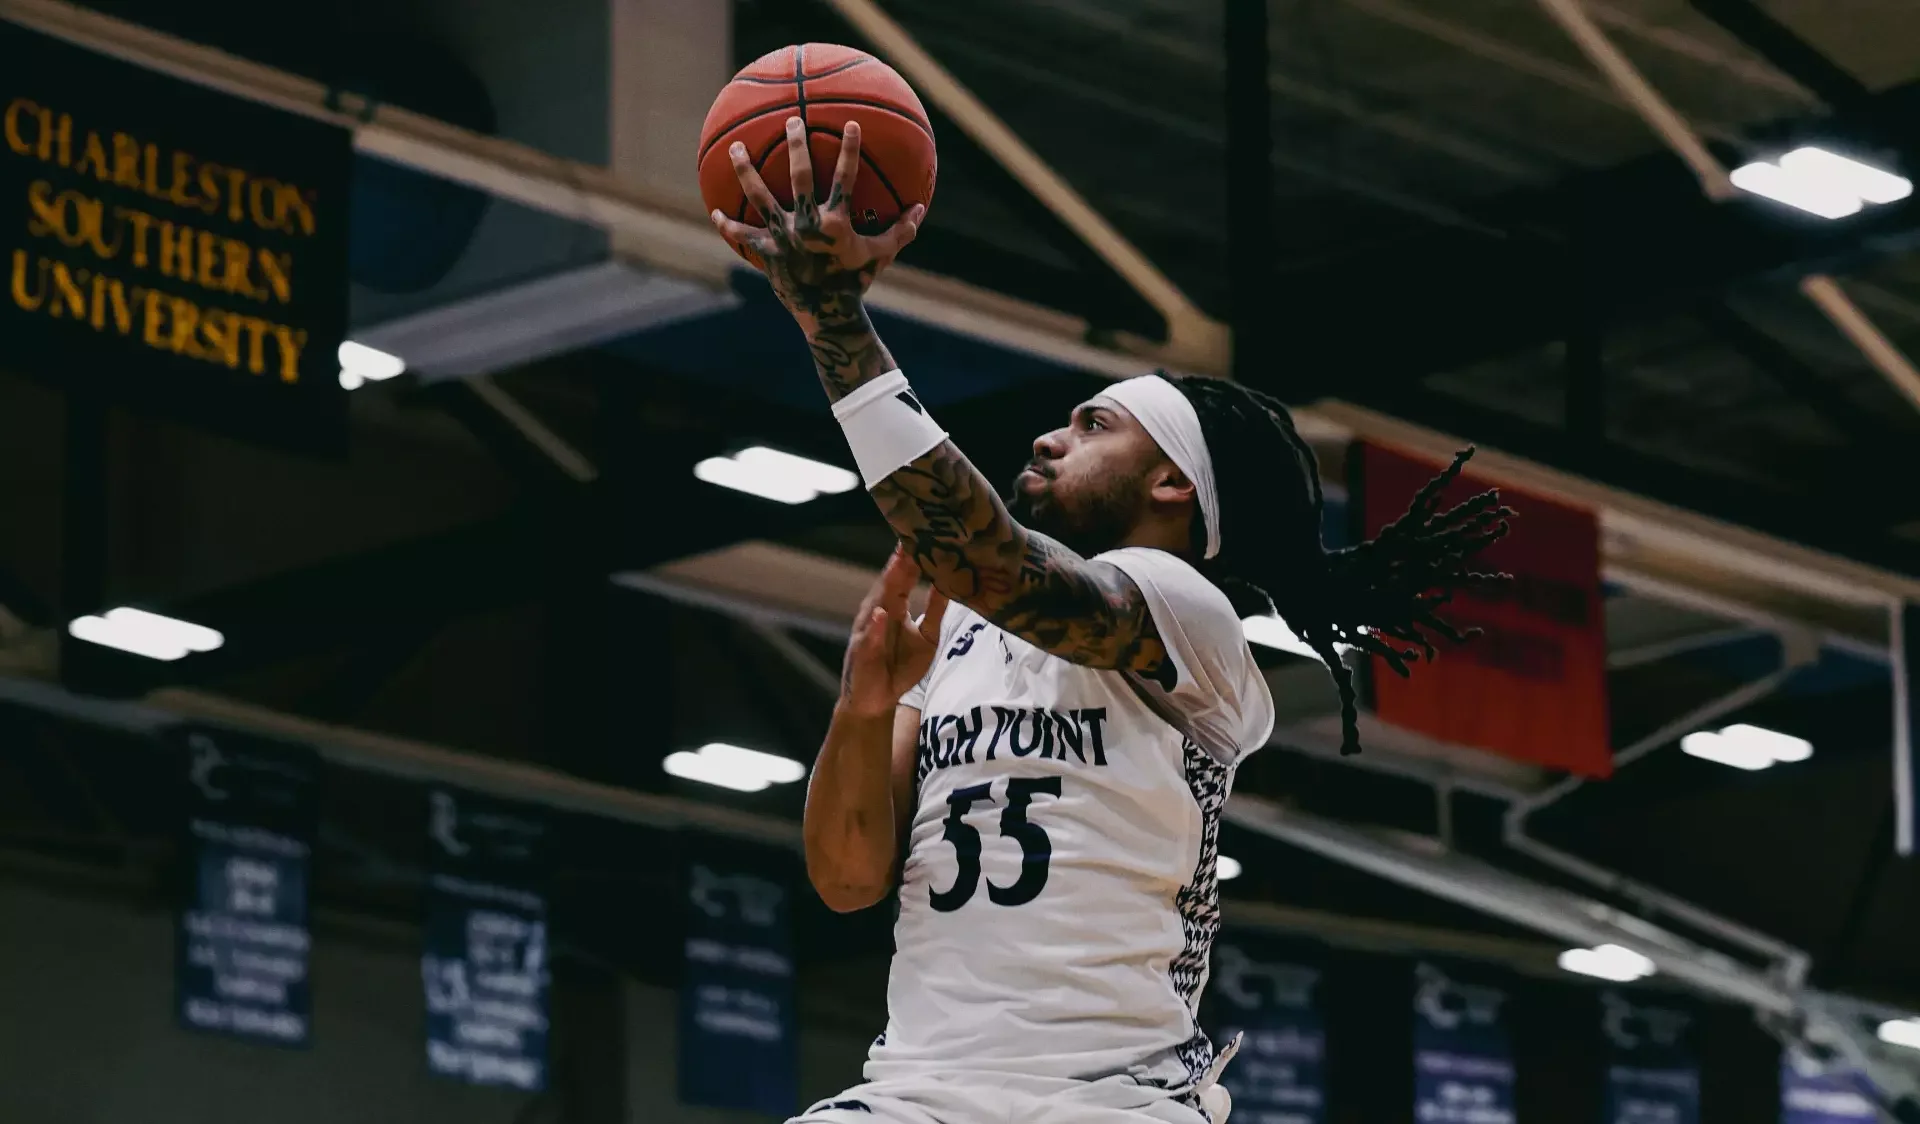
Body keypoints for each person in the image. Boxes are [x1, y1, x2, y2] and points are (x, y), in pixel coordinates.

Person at [711, 118, 1514, 1124]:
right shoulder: (958, 635)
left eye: (1096, 424)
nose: (1050, 434)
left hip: (1109, 1098)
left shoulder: (1185, 611)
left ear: (1173, 481)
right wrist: (863, 707)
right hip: (920, 1087)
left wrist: (833, 316)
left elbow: (988, 557)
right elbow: (844, 876)